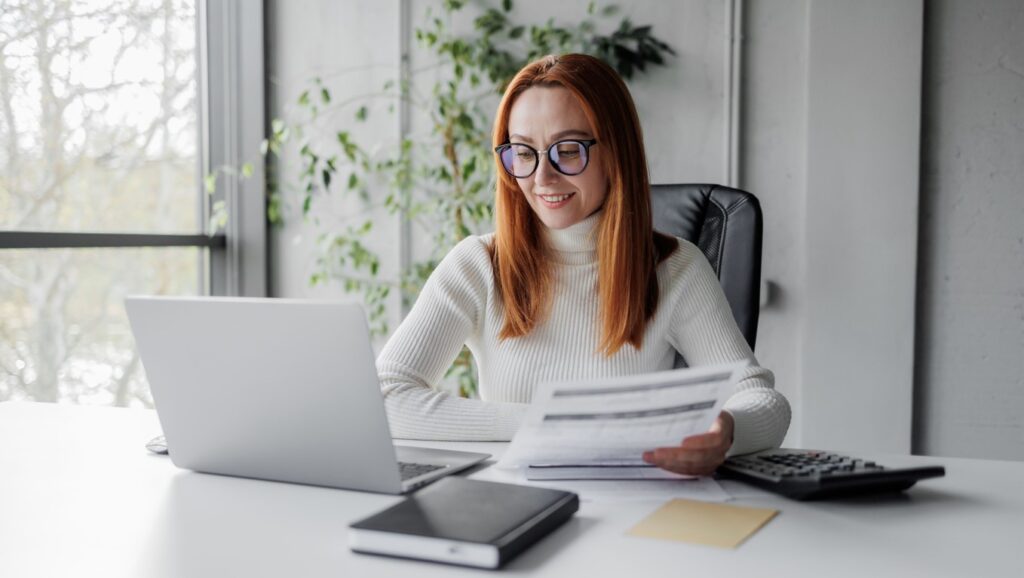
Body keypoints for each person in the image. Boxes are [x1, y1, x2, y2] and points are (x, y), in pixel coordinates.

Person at [376, 53, 790, 476]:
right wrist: (566, 424)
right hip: (513, 504)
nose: (541, 179)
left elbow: (762, 401)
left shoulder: (674, 268)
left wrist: (727, 430)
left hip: (635, 510)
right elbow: (385, 397)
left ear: (616, 151)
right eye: (523, 152)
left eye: (568, 151)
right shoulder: (477, 265)